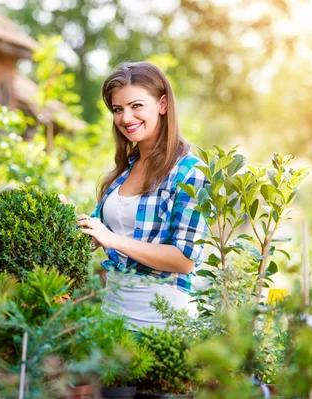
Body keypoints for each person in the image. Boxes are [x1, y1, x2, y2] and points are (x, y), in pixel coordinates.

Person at [76, 61, 208, 329]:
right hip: (112, 314)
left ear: (162, 105)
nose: (125, 118)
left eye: (136, 106)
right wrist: (61, 219)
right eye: (117, 109)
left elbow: (184, 260)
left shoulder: (189, 173)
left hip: (160, 321)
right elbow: (98, 235)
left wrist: (113, 240)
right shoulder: (125, 169)